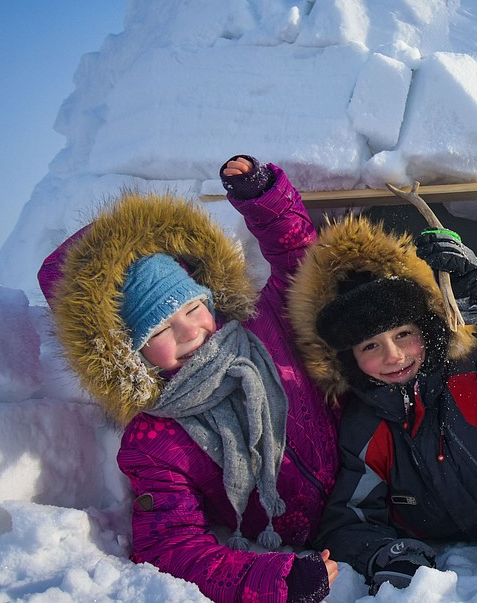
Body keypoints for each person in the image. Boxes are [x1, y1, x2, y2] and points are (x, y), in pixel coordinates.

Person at [38, 155, 340, 602]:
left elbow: (299, 256)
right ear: (128, 349)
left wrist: (261, 196)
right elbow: (169, 546)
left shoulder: (266, 324)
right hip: (297, 540)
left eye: (193, 308)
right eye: (158, 330)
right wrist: (273, 581)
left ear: (210, 298)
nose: (189, 332)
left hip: (371, 490)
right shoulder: (155, 441)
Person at [286, 214, 477, 594]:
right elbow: (347, 519)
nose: (394, 356)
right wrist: (388, 553)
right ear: (348, 360)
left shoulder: (476, 371)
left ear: (427, 328)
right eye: (370, 346)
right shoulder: (364, 421)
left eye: (403, 334)